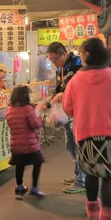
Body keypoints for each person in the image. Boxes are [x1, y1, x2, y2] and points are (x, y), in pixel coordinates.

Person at [62, 38, 111, 220]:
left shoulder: (76, 80)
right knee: (109, 178)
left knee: (91, 173)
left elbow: (67, 107)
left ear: (86, 54)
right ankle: (106, 219)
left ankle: (92, 210)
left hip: (86, 134)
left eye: (80, 52)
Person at [46, 41, 85, 194]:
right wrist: (51, 101)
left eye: (55, 58)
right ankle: (78, 174)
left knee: (78, 145)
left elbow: (77, 88)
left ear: (64, 54)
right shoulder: (60, 69)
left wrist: (63, 95)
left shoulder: (77, 64)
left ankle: (81, 180)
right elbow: (59, 89)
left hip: (78, 111)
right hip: (67, 111)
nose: (53, 62)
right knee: (70, 145)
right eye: (50, 59)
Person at [7, 85, 45, 198]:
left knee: (20, 164)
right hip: (29, 143)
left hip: (16, 143)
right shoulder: (28, 109)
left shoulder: (10, 110)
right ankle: (35, 188)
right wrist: (39, 115)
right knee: (37, 163)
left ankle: (19, 187)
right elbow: (36, 124)